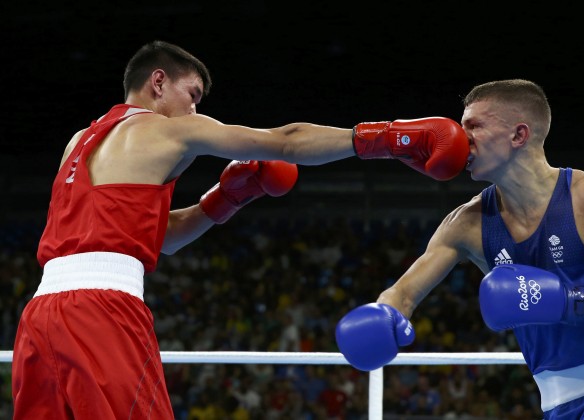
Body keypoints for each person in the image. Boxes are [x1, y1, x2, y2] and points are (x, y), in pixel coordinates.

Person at [11, 40, 470, 419]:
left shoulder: (79, 142)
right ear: (158, 82)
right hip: (101, 310)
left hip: (40, 316)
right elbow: (286, 141)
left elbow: (158, 239)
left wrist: (225, 199)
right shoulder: (168, 131)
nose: (195, 108)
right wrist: (386, 138)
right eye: (192, 94)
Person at [336, 79, 584, 419]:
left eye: (474, 126)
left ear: (519, 135)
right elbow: (403, 293)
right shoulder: (467, 223)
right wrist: (385, 313)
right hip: (556, 407)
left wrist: (567, 302)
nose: (461, 139)